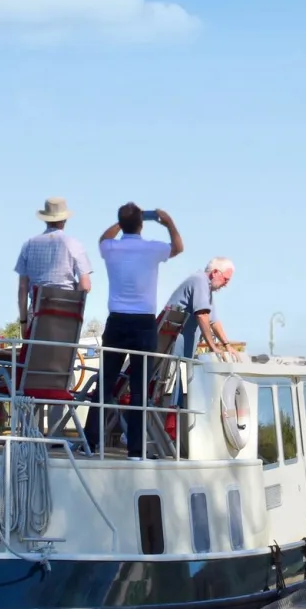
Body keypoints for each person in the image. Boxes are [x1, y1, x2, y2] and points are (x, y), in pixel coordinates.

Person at [86, 203, 184, 457]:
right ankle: (135, 450)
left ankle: (90, 441)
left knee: (105, 383)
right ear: (142, 223)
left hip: (117, 321)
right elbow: (178, 248)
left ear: (122, 223)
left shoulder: (111, 248)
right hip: (143, 322)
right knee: (140, 388)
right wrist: (168, 221)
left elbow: (103, 238)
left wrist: (123, 222)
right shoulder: (152, 248)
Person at [159, 259, 234, 412]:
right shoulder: (199, 281)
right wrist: (213, 347)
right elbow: (202, 315)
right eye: (225, 279)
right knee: (165, 395)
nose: (226, 284)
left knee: (176, 398)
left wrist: (227, 345)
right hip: (170, 355)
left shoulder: (205, 289)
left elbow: (213, 321)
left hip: (180, 358)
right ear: (215, 273)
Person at [14, 196, 92, 324]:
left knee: (34, 344)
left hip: (36, 314)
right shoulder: (75, 244)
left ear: (46, 219)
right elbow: (85, 286)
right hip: (66, 313)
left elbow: (23, 287)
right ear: (65, 219)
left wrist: (23, 321)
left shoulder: (28, 245)